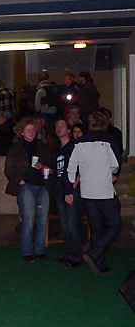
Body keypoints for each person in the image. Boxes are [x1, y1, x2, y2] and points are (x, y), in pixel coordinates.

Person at [67, 112, 121, 275]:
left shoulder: (79, 143)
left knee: (96, 227)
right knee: (115, 225)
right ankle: (94, 253)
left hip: (87, 192)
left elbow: (71, 167)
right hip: (104, 191)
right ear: (104, 124)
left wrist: (71, 187)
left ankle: (99, 263)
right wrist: (110, 172)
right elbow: (115, 164)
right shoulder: (108, 141)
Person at [4, 117, 52, 262]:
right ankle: (27, 252)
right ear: (22, 132)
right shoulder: (16, 148)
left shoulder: (42, 146)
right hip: (26, 186)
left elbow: (50, 163)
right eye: (28, 130)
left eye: (33, 129)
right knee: (28, 219)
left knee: (42, 220)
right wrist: (19, 180)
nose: (31, 132)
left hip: (42, 185)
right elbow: (9, 169)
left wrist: (43, 166)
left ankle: (39, 250)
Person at [51, 120, 83, 268]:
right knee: (64, 224)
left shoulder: (74, 146)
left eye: (61, 125)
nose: (58, 128)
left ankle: (76, 256)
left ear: (69, 130)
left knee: (72, 223)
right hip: (59, 189)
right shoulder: (57, 150)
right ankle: (69, 253)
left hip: (71, 189)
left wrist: (74, 184)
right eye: (56, 126)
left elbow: (82, 166)